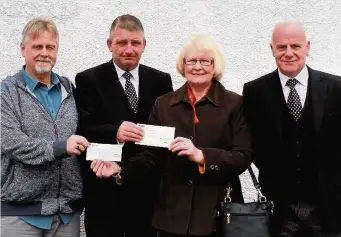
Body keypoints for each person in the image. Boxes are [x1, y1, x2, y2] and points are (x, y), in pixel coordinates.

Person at [90, 34, 252, 237]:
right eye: (191, 61)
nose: (197, 66)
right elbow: (152, 157)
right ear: (183, 66)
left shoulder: (234, 104)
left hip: (217, 216)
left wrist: (202, 156)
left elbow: (242, 157)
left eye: (205, 61)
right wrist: (120, 169)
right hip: (172, 218)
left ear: (215, 65)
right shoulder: (164, 105)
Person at [75, 14, 173, 237]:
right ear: (110, 45)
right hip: (104, 195)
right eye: (121, 42)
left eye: (135, 43)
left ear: (144, 45)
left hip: (147, 192)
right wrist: (115, 133)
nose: (129, 49)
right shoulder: (88, 80)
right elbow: (84, 130)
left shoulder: (160, 80)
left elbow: (163, 134)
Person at [243, 20, 341, 237]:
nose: (288, 53)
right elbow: (252, 144)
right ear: (272, 49)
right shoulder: (255, 92)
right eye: (281, 47)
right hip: (278, 209)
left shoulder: (336, 88)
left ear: (307, 47)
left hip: (328, 208)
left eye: (295, 46)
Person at [1, 17, 89, 237]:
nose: (44, 52)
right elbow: (12, 143)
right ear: (23, 49)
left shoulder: (69, 88)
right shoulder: (7, 92)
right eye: (37, 46)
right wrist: (59, 148)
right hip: (21, 214)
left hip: (66, 214)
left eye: (50, 47)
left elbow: (87, 130)